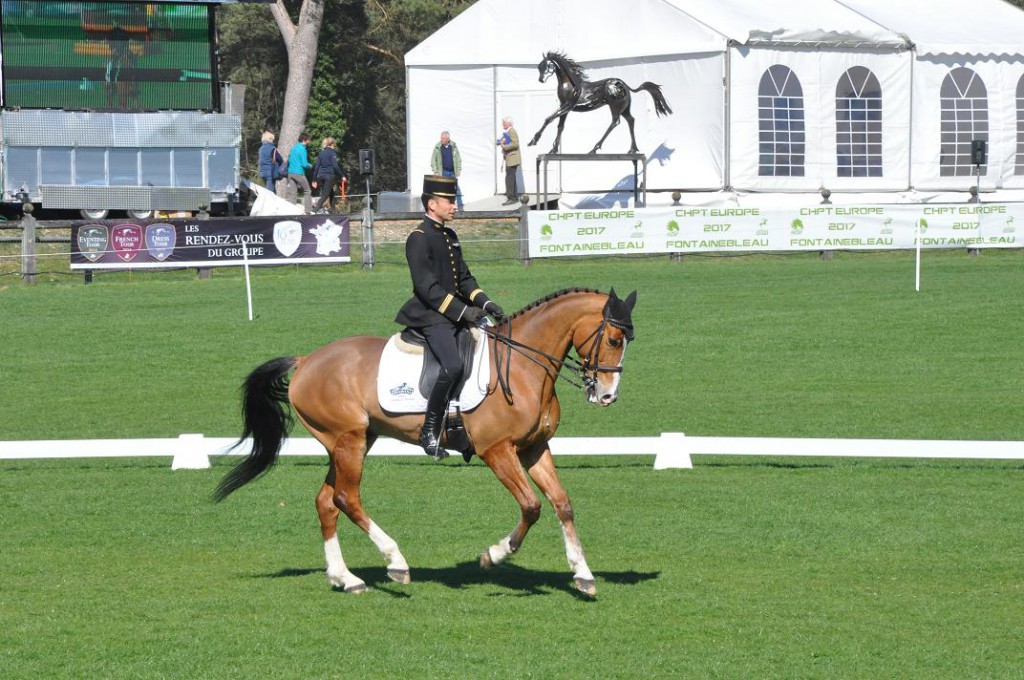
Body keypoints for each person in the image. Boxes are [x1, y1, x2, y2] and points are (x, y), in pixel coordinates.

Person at [395, 175, 505, 459]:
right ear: (432, 204)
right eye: (450, 201)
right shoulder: (418, 239)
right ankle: (429, 432)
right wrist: (465, 311)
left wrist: (487, 303)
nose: (455, 206)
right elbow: (427, 288)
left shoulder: (449, 236)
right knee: (453, 366)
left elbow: (465, 279)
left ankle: (464, 426)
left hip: (454, 314)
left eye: (454, 201)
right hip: (432, 317)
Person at [430, 131, 464, 211]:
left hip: (452, 172)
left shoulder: (453, 146)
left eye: (443, 138)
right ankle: (444, 207)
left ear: (448, 139)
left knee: (455, 190)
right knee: (444, 191)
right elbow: (433, 160)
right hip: (443, 173)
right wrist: (436, 172)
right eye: (441, 138)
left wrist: (458, 169)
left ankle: (460, 206)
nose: (441, 140)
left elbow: (458, 159)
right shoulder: (438, 147)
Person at [311, 137, 345, 213]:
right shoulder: (332, 153)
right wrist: (342, 175)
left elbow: (316, 166)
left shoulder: (321, 153)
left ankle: (334, 211)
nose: (334, 147)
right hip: (329, 176)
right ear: (332, 144)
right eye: (334, 145)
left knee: (331, 192)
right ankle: (315, 209)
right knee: (325, 194)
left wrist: (314, 179)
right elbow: (335, 166)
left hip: (321, 176)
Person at [286, 132, 313, 212]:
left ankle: (291, 212)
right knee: (307, 190)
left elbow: (289, 160)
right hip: (298, 173)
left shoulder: (294, 148)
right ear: (305, 140)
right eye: (308, 140)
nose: (309, 141)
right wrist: (310, 165)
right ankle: (308, 211)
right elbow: (304, 164)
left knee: (293, 193)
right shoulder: (302, 149)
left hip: (290, 173)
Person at [499, 116, 521, 206]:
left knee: (509, 178)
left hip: (512, 159)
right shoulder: (509, 132)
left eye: (504, 123)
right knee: (511, 178)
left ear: (509, 123)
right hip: (510, 158)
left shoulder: (512, 131)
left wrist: (504, 146)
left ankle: (511, 198)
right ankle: (514, 197)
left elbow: (515, 144)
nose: (502, 124)